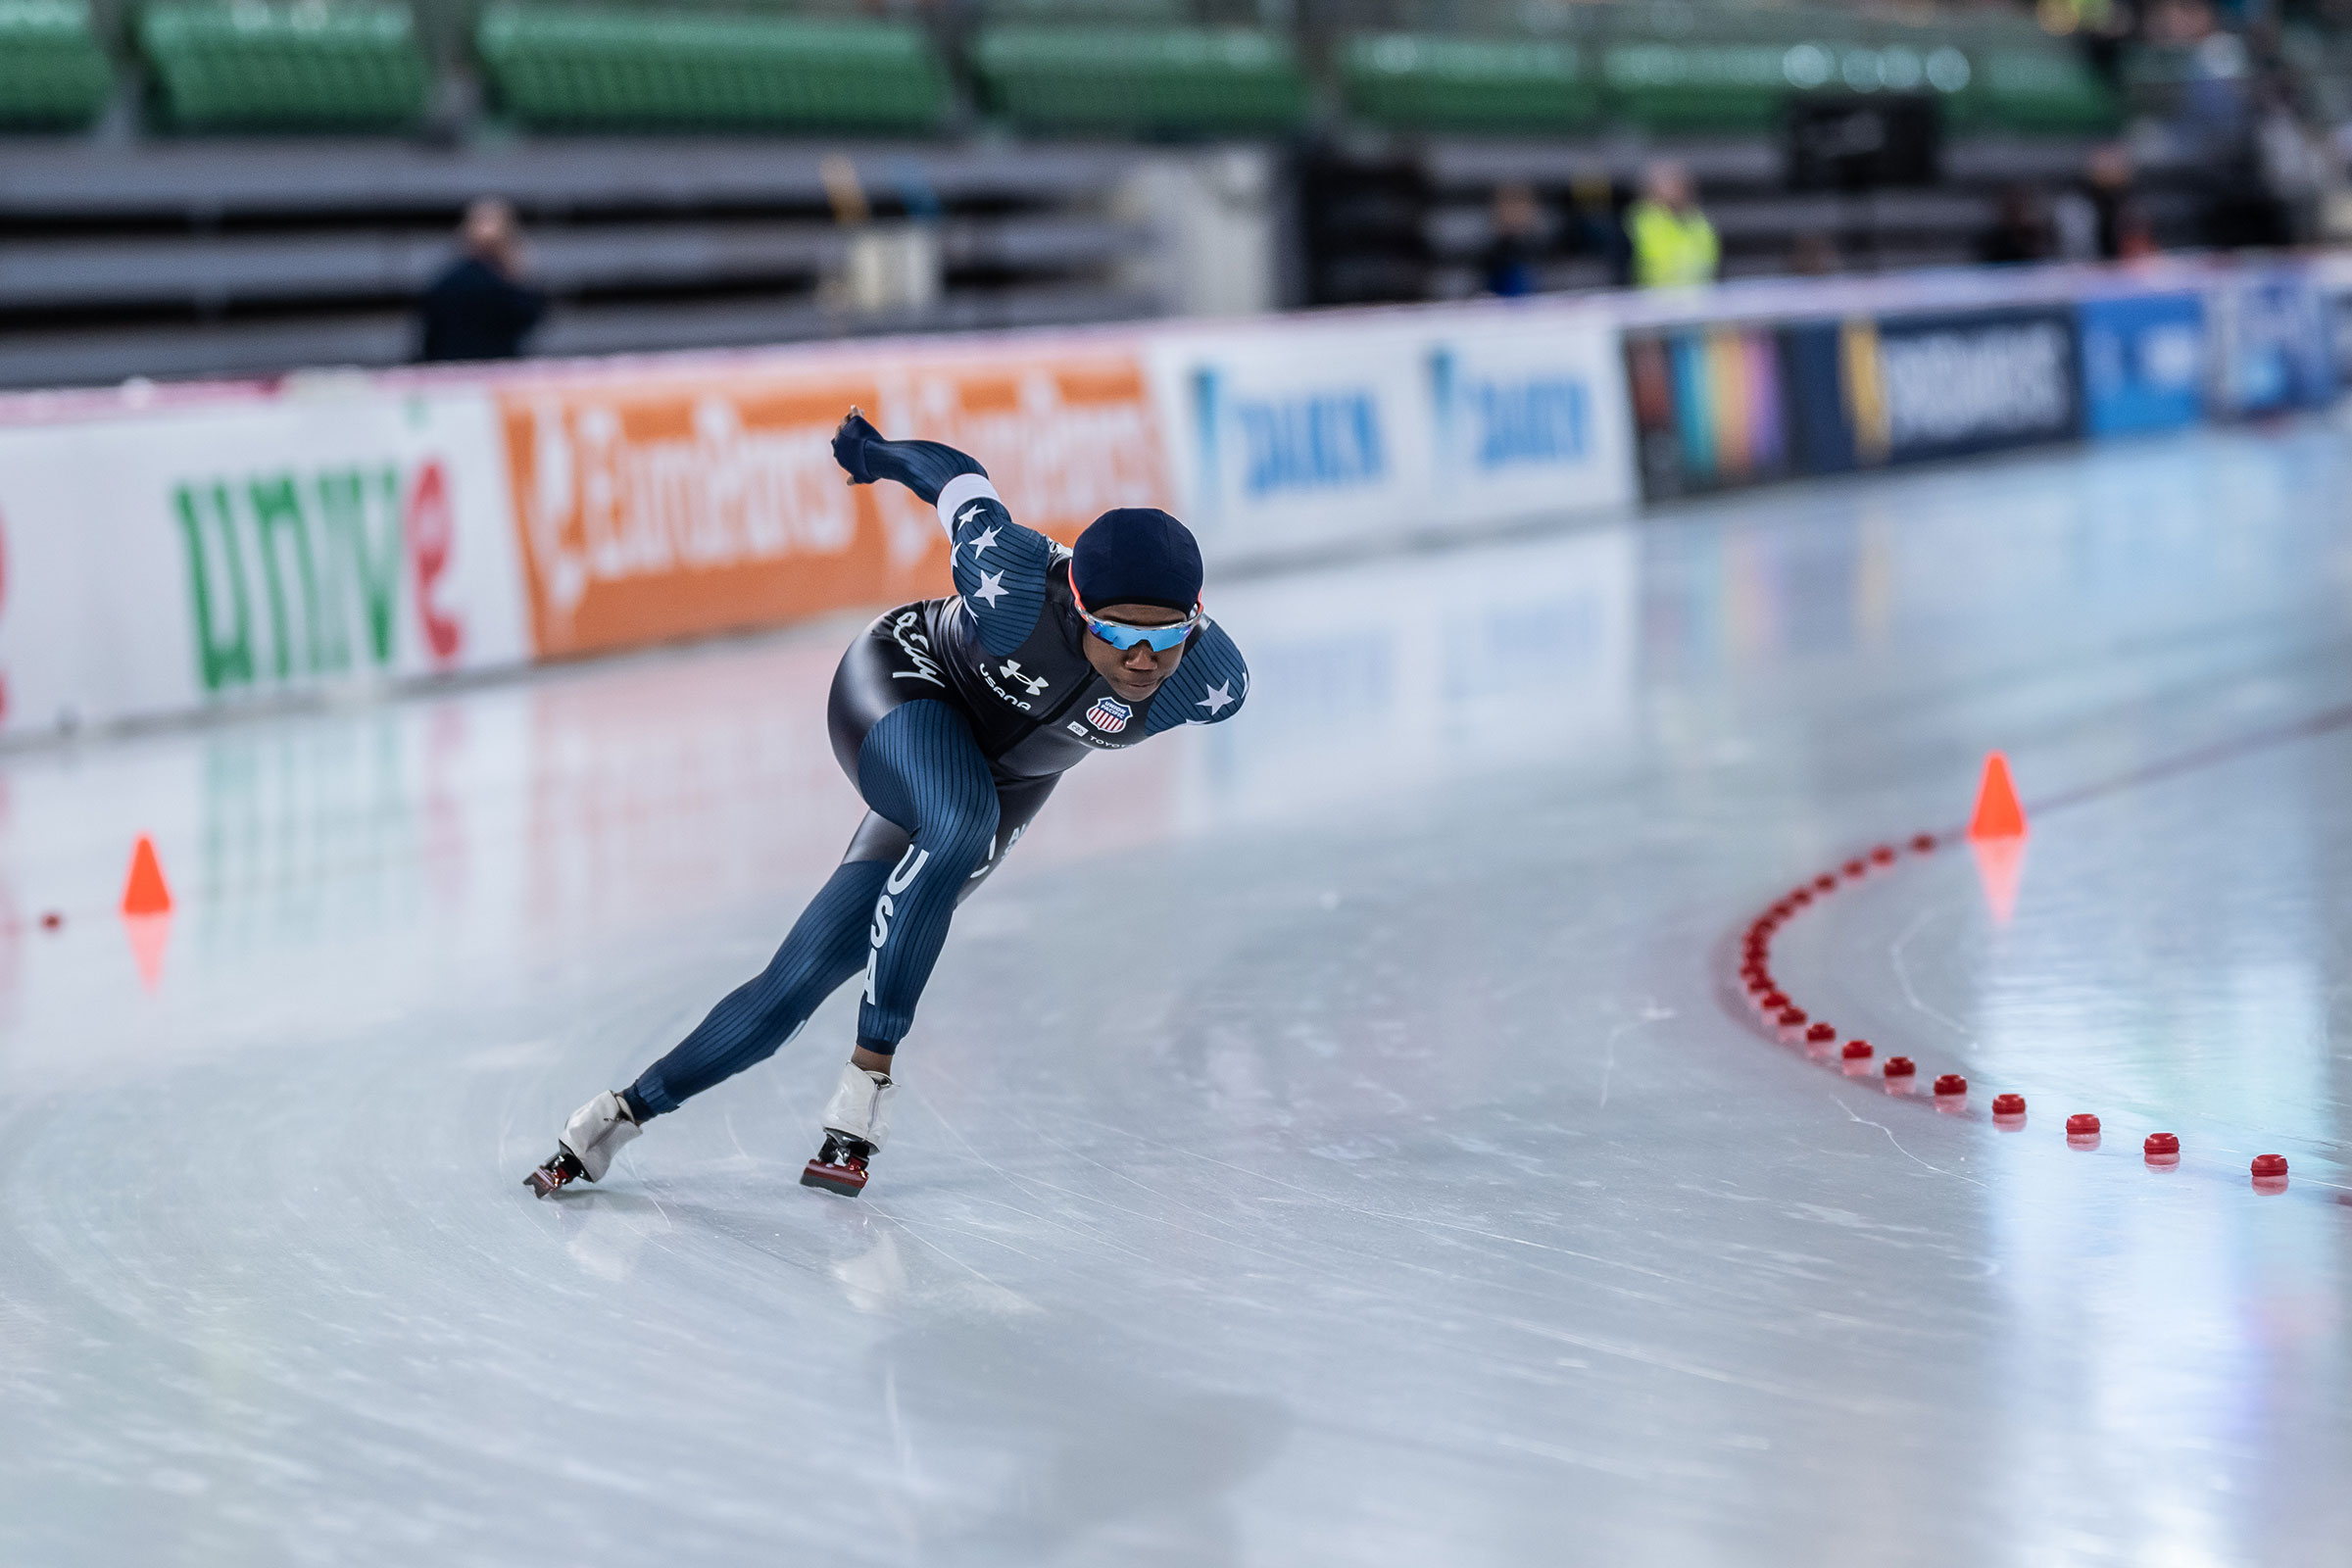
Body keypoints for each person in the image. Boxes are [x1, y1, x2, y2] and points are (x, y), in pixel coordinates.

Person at [527, 411, 1251, 1200]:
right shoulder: (1011, 584)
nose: (1143, 660)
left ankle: (612, 1120)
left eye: (1168, 635)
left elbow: (1157, 664)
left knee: (798, 983)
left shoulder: (1209, 683)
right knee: (961, 819)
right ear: (1077, 608)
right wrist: (873, 453)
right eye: (1117, 632)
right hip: (904, 683)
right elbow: (957, 478)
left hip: (1003, 782)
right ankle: (868, 1083)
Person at [416, 197, 546, 363]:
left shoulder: (446, 282)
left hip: (452, 371)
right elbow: (532, 316)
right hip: (493, 372)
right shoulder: (510, 288)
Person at [1626, 161, 1719, 289]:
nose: (1679, 189)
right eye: (1672, 184)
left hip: (1699, 300)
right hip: (1650, 301)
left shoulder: (1699, 222)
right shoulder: (1640, 221)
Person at [1481, 182, 1546, 298]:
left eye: (1520, 206)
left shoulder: (1544, 252)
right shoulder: (1491, 256)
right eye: (1508, 206)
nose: (1514, 213)